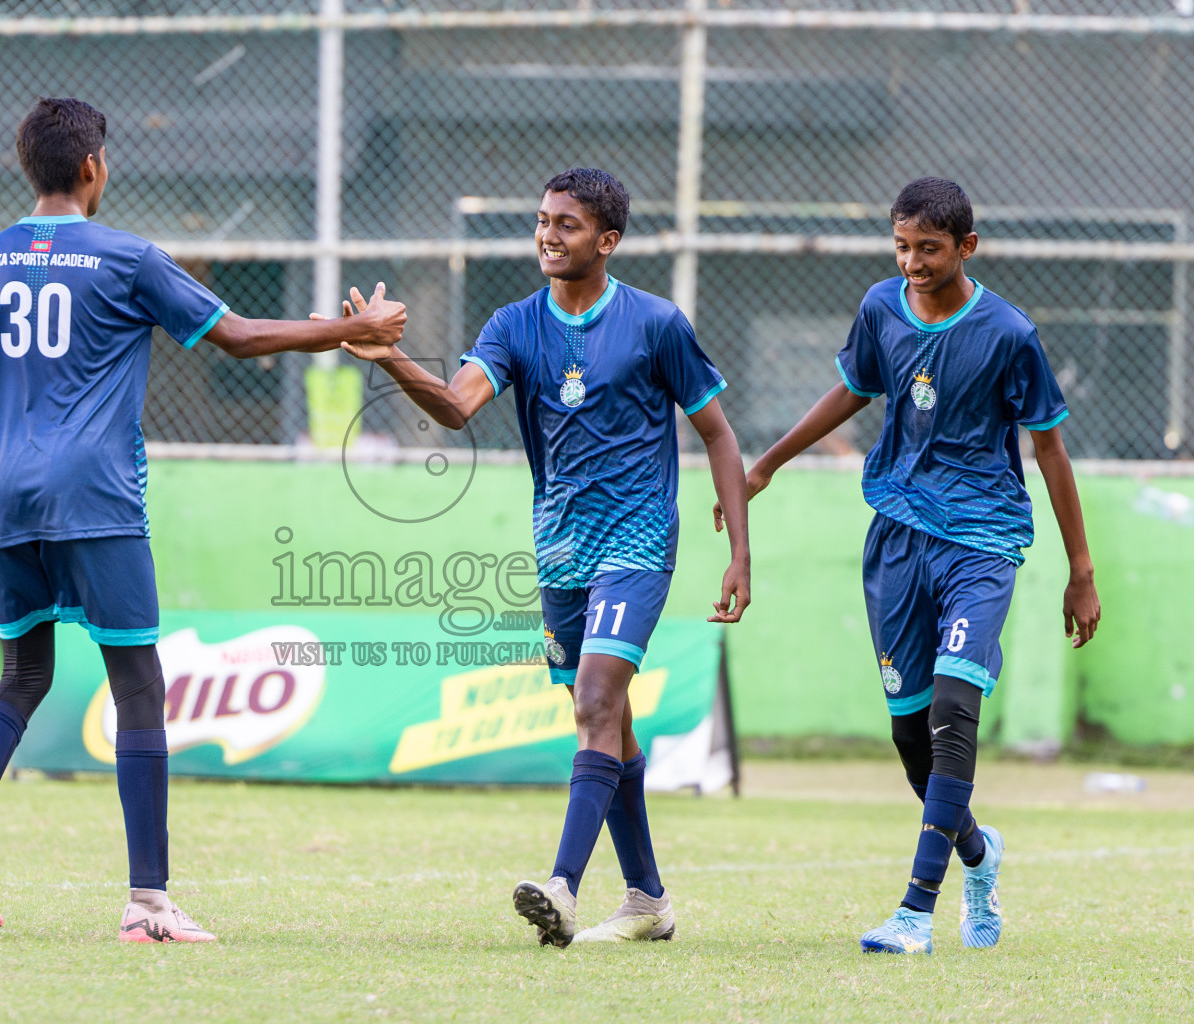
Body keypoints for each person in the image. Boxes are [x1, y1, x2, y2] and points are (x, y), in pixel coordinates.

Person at [0, 97, 407, 943]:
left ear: (29, 168)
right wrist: (351, 328)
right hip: (94, 496)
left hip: (1, 494)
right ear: (94, 167)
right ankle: (149, 904)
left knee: (21, 674)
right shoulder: (127, 258)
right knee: (138, 686)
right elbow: (234, 336)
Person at [333, 168, 751, 946]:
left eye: (567, 224)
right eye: (543, 220)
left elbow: (718, 432)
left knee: (595, 701)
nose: (548, 235)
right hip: (560, 551)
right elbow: (457, 407)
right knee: (609, 723)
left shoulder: (657, 324)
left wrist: (739, 551)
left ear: (608, 240)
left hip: (638, 541)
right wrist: (389, 359)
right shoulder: (513, 324)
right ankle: (649, 902)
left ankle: (562, 884)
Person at [730, 178, 1101, 955]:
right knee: (911, 740)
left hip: (982, 540)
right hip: (897, 536)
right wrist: (765, 466)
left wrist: (1081, 569)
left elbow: (1051, 448)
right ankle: (977, 853)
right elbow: (853, 390)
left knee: (955, 712)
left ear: (967, 247)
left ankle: (914, 913)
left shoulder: (1009, 333)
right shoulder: (881, 308)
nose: (912, 262)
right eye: (901, 246)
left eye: (928, 248)